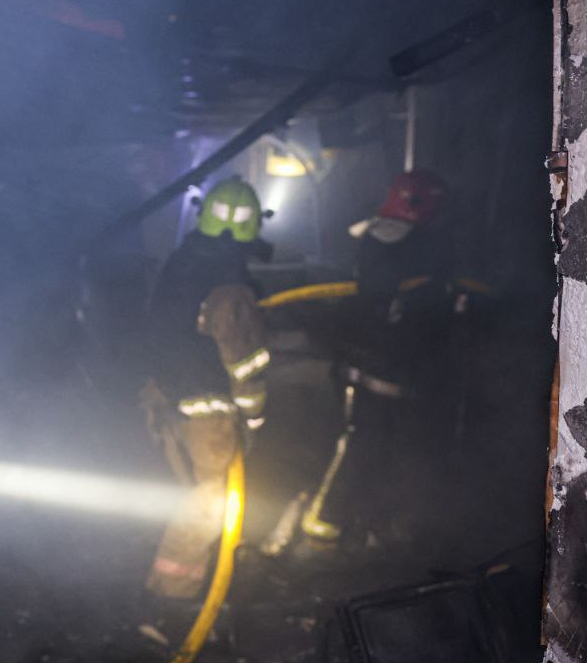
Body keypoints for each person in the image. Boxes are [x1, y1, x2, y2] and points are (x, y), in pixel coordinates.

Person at [302, 168, 457, 543]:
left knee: (382, 450)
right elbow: (393, 304)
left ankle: (365, 522)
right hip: (373, 367)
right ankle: (324, 521)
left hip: (391, 370)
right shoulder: (401, 246)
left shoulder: (396, 241)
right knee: (359, 445)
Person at [140, 177, 271, 598]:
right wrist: (253, 415)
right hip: (208, 412)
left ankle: (171, 584)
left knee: (188, 496)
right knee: (212, 502)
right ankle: (175, 592)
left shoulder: (181, 263)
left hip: (166, 400)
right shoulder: (231, 288)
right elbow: (242, 358)